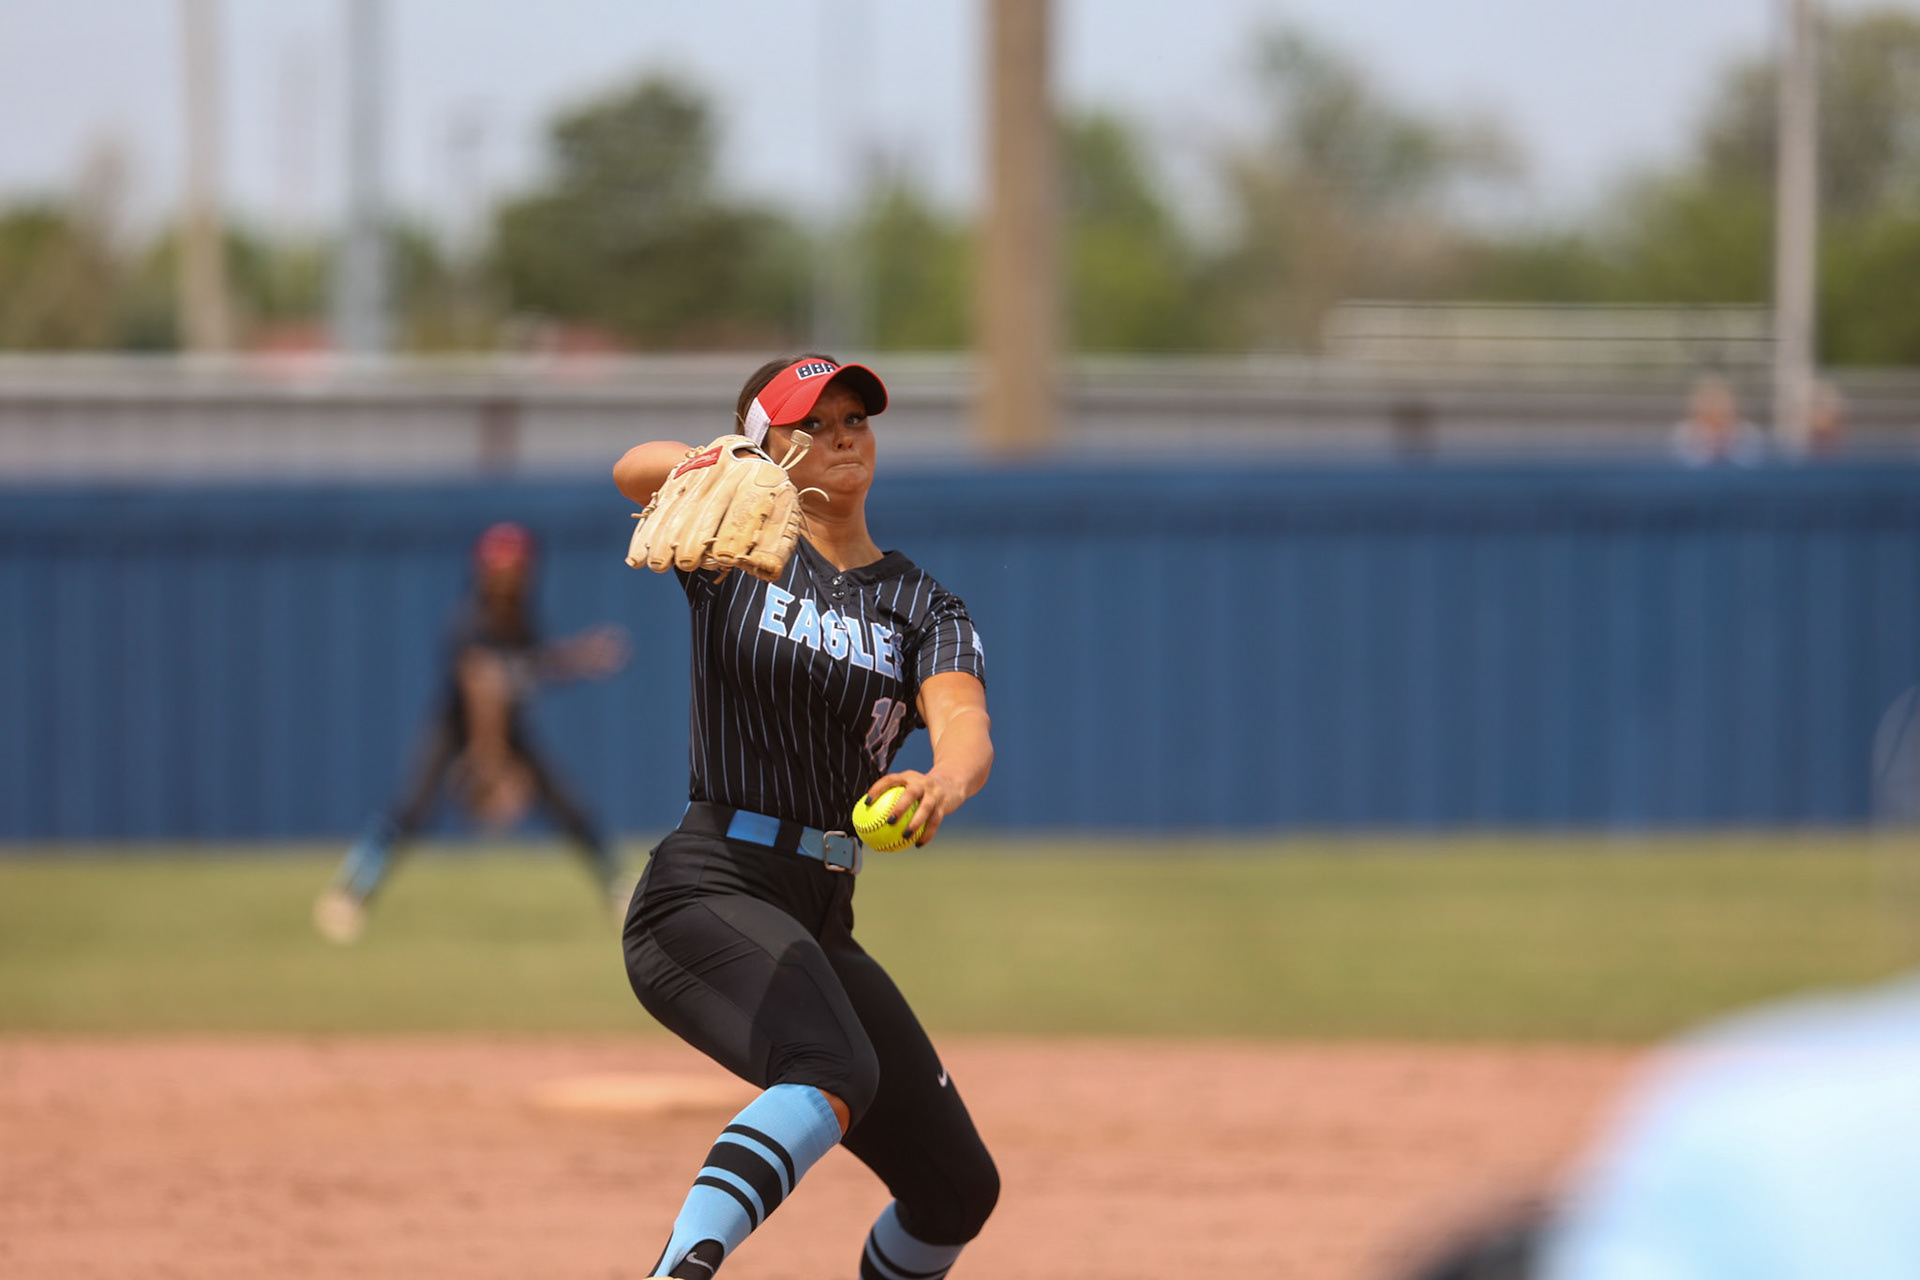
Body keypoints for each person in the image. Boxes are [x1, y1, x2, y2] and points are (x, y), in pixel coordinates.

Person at [611, 355, 999, 1280]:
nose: (843, 435)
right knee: (832, 1067)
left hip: (820, 914)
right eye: (813, 422)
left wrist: (941, 782)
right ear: (767, 440)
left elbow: (966, 725)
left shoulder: (919, 605)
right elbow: (634, 466)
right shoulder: (736, 548)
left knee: (956, 1192)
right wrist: (727, 461)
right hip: (707, 887)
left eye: (855, 417)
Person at [313, 521, 630, 944]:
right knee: (411, 809)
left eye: (513, 571)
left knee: (567, 805)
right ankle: (349, 894)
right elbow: (483, 692)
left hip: (510, 725)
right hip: (456, 726)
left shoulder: (521, 615)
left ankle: (618, 886)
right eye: (498, 571)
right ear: (482, 573)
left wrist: (577, 656)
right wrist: (489, 762)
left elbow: (527, 665)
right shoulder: (469, 622)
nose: (505, 580)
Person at [1670, 374, 1768, 467]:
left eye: (1719, 400)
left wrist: (1727, 443)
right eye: (1707, 400)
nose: (1714, 406)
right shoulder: (1684, 434)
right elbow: (1683, 464)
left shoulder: (1748, 433)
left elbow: (1751, 464)